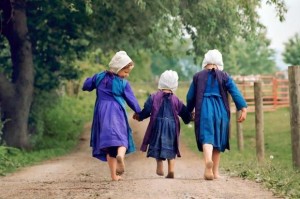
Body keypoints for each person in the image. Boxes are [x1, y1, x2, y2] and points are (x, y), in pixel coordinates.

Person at [186, 49, 247, 180]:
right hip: (221, 111)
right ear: (220, 63)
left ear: (205, 62)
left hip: (204, 109)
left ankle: (208, 161)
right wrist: (243, 107)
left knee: (207, 137)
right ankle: (215, 172)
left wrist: (189, 110)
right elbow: (234, 91)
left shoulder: (198, 76)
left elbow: (190, 97)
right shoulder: (225, 76)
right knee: (218, 139)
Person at [82, 51, 141, 181]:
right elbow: (131, 100)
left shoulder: (99, 77)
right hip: (117, 112)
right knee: (122, 139)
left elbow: (86, 85)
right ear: (118, 68)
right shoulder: (123, 84)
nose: (127, 75)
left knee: (109, 146)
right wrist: (139, 112)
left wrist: (88, 83)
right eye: (126, 72)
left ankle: (114, 175)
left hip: (101, 113)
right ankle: (121, 155)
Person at [133, 70, 192, 178]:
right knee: (171, 147)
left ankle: (159, 164)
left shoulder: (153, 97)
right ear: (175, 85)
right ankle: (171, 169)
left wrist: (140, 116)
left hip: (157, 125)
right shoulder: (176, 100)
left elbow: (147, 110)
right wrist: (190, 118)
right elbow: (184, 113)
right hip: (172, 127)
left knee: (157, 144)